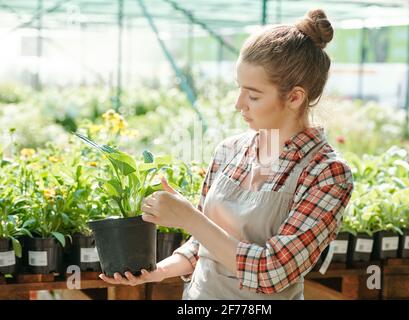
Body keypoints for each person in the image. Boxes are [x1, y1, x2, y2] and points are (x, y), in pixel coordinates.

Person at [100, 8, 354, 300]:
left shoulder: (326, 173)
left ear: (295, 97)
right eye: (239, 89)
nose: (238, 104)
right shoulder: (230, 152)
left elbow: (272, 271)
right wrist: (157, 270)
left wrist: (189, 217)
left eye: (254, 95)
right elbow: (203, 244)